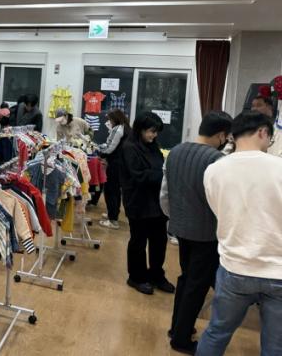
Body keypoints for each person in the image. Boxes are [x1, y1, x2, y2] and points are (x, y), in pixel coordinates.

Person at [196, 111, 282, 356]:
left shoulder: (215, 169)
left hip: (234, 266)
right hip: (278, 269)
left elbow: (218, 210)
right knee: (276, 346)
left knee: (217, 333)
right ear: (262, 132)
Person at [160, 111, 233, 354]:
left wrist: (175, 219)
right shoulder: (218, 160)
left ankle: (177, 328)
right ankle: (181, 339)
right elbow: (221, 201)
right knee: (197, 284)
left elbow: (165, 193)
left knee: (186, 278)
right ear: (221, 135)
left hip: (180, 228)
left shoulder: (175, 151)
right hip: (206, 232)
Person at [121, 112, 174, 295]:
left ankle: (156, 275)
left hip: (157, 202)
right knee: (138, 241)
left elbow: (158, 167)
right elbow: (138, 175)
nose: (154, 135)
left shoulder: (153, 146)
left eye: (156, 132)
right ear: (140, 129)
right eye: (151, 131)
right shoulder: (129, 147)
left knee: (159, 241)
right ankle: (136, 277)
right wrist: (164, 175)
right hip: (138, 202)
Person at [98, 109, 131, 230]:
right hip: (123, 164)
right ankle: (113, 214)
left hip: (116, 164)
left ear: (115, 119)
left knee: (110, 191)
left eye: (110, 119)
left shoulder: (118, 129)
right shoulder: (127, 128)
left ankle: (113, 220)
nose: (109, 122)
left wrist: (99, 152)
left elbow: (110, 147)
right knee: (115, 191)